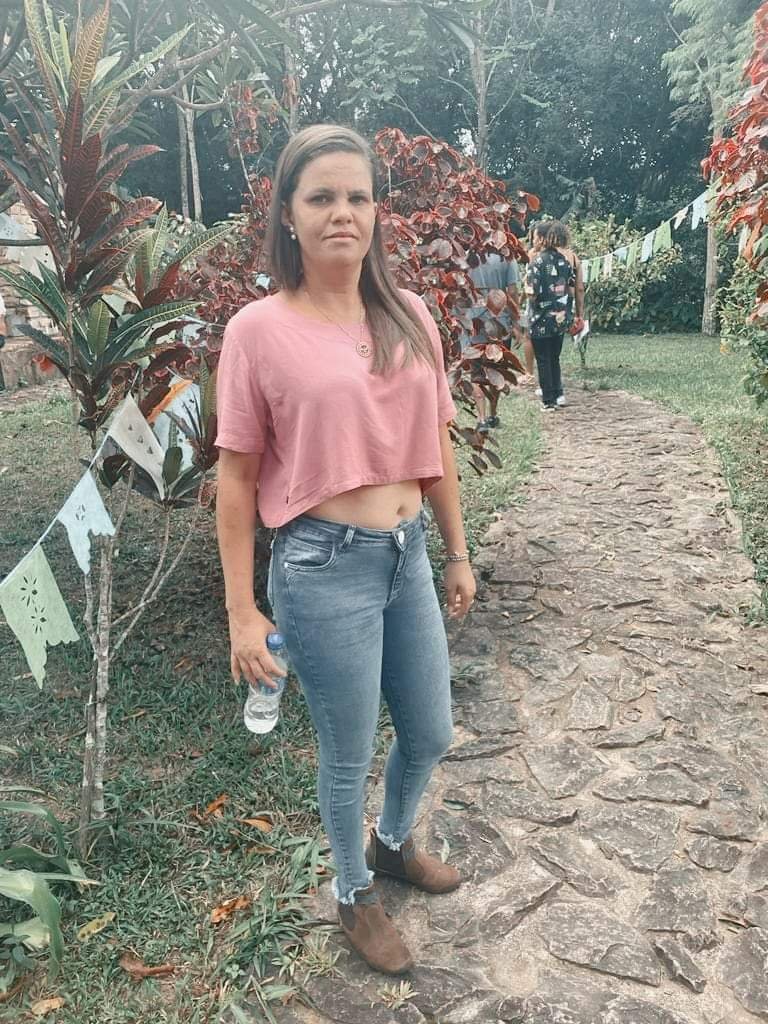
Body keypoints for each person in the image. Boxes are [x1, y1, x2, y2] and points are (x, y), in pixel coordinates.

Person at [215, 125, 476, 977]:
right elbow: (236, 480)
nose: (343, 213)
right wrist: (243, 613)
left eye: (358, 196)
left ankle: (392, 843)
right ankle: (353, 892)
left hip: (407, 557)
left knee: (430, 731)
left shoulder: (410, 315)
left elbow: (436, 446)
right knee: (348, 750)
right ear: (288, 215)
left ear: (376, 212)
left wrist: (457, 552)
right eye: (321, 197)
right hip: (322, 569)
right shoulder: (258, 331)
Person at [461, 251, 521, 431]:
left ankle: (481, 419)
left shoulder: (467, 255)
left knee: (476, 371)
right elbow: (512, 291)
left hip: (474, 321)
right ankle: (493, 414)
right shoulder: (506, 257)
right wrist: (516, 322)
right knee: (497, 369)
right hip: (500, 323)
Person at [525, 220, 576, 410]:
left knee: (543, 359)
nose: (533, 240)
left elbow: (532, 292)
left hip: (540, 318)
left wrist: (526, 286)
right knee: (554, 357)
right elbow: (571, 289)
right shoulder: (565, 261)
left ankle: (548, 400)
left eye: (535, 237)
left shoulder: (537, 262)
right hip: (560, 317)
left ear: (543, 238)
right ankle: (558, 393)